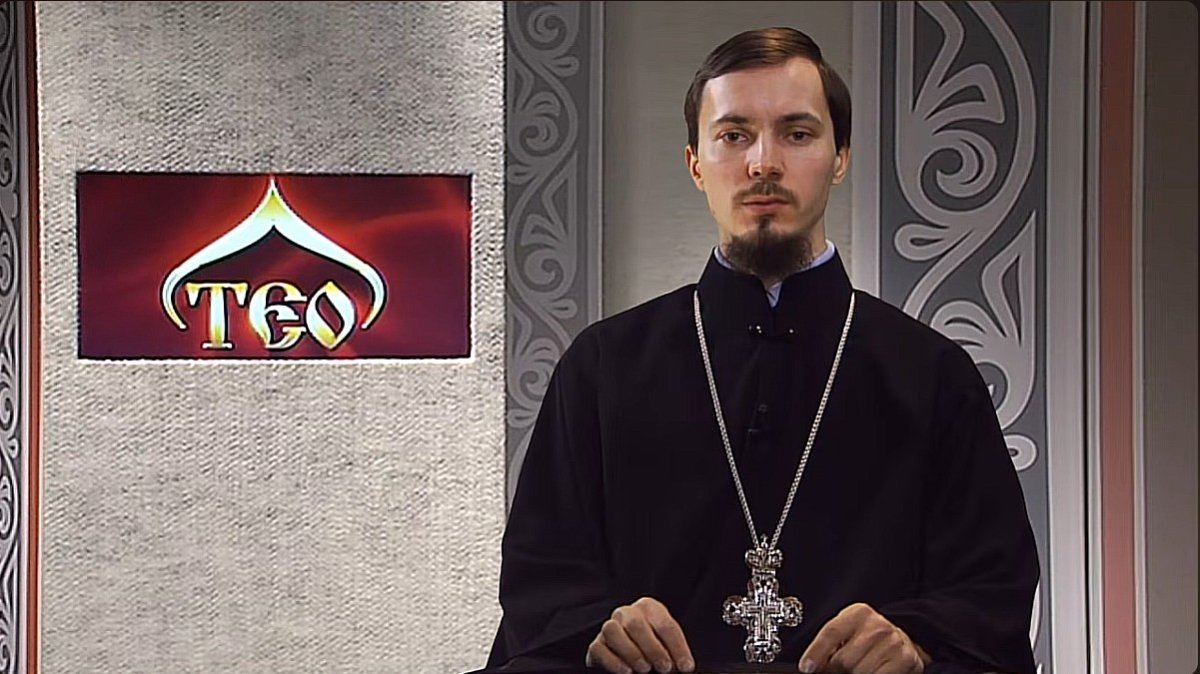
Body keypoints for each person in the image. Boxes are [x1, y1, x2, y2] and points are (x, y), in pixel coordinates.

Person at [482, 27, 1039, 674]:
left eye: (797, 134)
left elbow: (990, 591)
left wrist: (915, 639)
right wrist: (599, 629)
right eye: (733, 135)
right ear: (696, 163)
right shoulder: (603, 367)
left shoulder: (933, 374)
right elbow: (542, 577)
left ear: (840, 157)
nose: (763, 163)